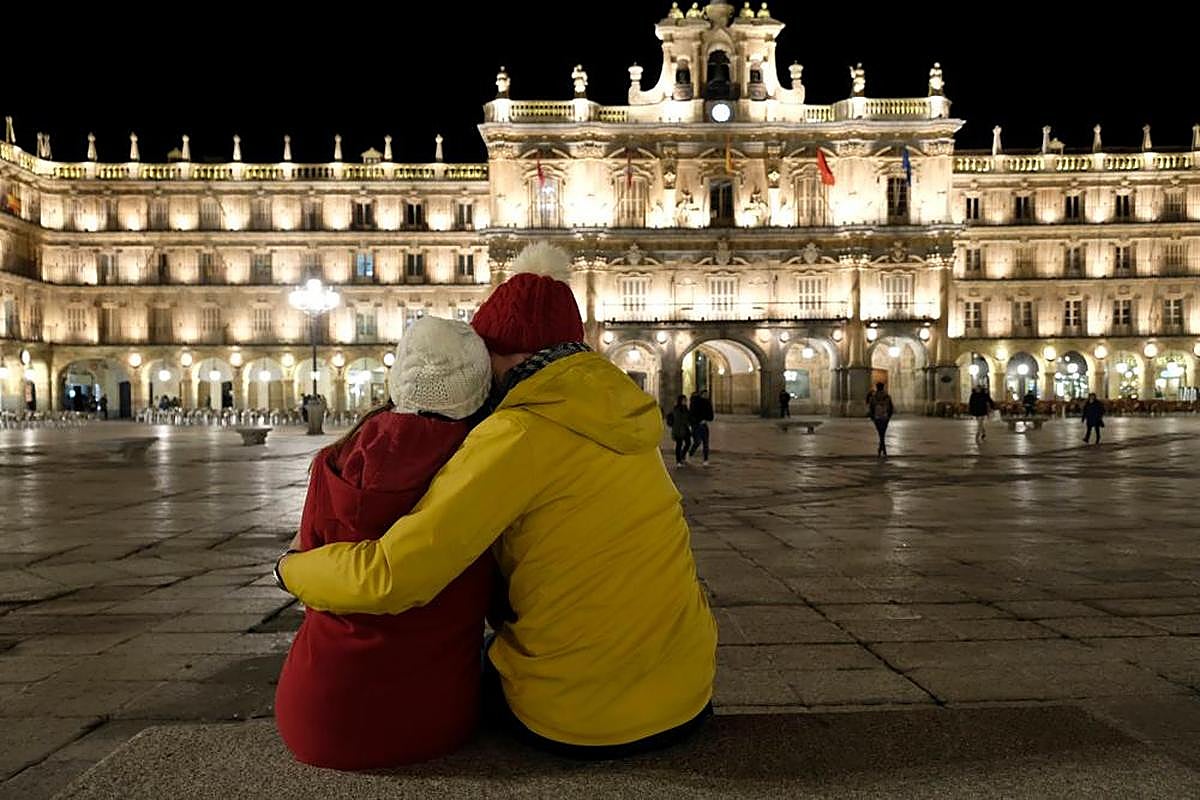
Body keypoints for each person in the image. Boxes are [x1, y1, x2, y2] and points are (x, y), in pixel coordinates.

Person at [278, 241, 717, 759]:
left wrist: (293, 570)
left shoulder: (518, 431)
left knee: (459, 672)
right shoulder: (621, 414)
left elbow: (396, 576)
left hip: (585, 717)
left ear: (502, 353)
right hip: (687, 694)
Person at [275, 316, 495, 770]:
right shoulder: (477, 466)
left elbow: (307, 569)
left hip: (311, 715)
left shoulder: (331, 460)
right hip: (429, 719)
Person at [866, 381, 894, 457]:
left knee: (880, 434)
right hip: (885, 418)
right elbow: (891, 408)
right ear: (883, 387)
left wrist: (873, 418)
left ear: (877, 387)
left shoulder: (873, 397)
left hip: (877, 418)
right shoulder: (887, 397)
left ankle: (881, 449)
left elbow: (871, 408)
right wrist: (888, 417)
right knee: (882, 433)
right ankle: (883, 449)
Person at [688, 388, 714, 465]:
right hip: (696, 425)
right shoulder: (695, 403)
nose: (706, 396)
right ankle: (690, 454)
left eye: (707, 395)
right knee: (697, 442)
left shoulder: (707, 403)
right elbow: (692, 415)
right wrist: (698, 421)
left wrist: (705, 419)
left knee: (706, 443)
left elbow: (711, 416)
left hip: (703, 425)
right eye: (705, 394)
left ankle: (706, 459)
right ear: (701, 395)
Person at [667, 394, 692, 467]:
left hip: (685, 429)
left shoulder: (686, 409)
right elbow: (674, 420)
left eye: (686, 400)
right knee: (679, 445)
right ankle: (678, 461)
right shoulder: (676, 409)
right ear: (680, 401)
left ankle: (682, 456)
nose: (685, 401)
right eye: (684, 400)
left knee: (688, 443)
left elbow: (688, 418)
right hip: (678, 430)